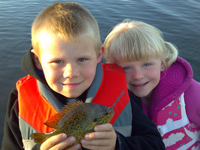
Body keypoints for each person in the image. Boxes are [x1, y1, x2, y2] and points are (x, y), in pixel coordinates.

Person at [1, 2, 165, 150]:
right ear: (37, 60)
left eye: (82, 59)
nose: (71, 73)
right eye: (58, 61)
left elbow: (155, 145)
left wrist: (117, 144)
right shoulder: (19, 101)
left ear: (99, 55)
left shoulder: (122, 93)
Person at [104, 19, 200, 150]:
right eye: (126, 68)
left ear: (163, 62)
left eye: (146, 64)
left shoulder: (190, 92)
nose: (138, 75)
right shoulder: (113, 103)